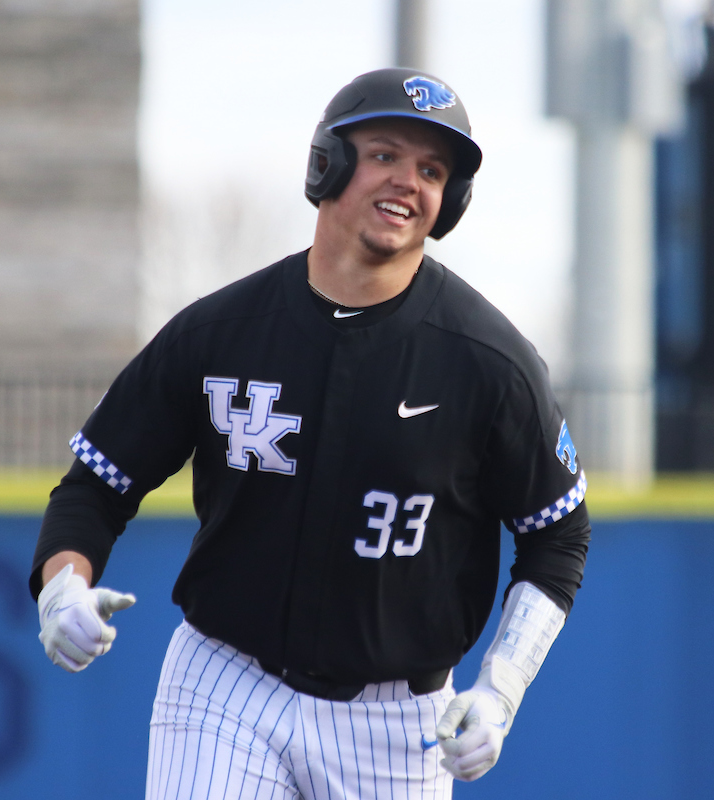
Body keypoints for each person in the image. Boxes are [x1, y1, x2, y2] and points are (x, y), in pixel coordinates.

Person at [29, 68, 590, 799]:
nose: (409, 182)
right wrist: (60, 586)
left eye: (432, 170)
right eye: (385, 154)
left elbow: (558, 537)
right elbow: (96, 486)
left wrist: (500, 689)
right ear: (327, 162)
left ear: (450, 201)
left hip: (399, 723)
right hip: (223, 687)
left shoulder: (490, 362)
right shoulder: (222, 330)